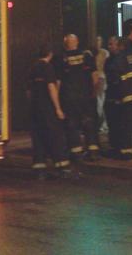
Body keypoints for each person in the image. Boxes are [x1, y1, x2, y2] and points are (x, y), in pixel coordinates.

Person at [27, 44, 72, 180]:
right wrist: (58, 108)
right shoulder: (48, 67)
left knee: (38, 137)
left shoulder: (32, 68)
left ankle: (39, 168)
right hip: (48, 108)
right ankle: (62, 166)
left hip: (35, 108)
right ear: (50, 54)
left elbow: (28, 91)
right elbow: (51, 87)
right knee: (55, 135)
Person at [54, 34, 101, 161]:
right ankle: (93, 151)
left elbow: (58, 81)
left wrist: (56, 100)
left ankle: (76, 152)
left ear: (65, 43)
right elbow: (95, 76)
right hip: (86, 96)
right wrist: (94, 92)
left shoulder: (61, 58)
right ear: (77, 42)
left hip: (69, 98)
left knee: (72, 125)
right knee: (90, 122)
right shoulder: (87, 55)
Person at [103, 36, 124, 157]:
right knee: (112, 121)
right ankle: (114, 145)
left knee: (119, 122)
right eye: (109, 44)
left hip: (119, 94)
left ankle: (120, 146)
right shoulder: (109, 60)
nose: (109, 46)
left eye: (112, 44)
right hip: (111, 93)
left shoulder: (121, 59)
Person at [94, 36, 109, 134]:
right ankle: (102, 124)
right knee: (99, 102)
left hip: (102, 78)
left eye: (99, 41)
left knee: (101, 102)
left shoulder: (104, 53)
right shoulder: (92, 53)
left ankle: (102, 125)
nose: (98, 43)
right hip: (97, 78)